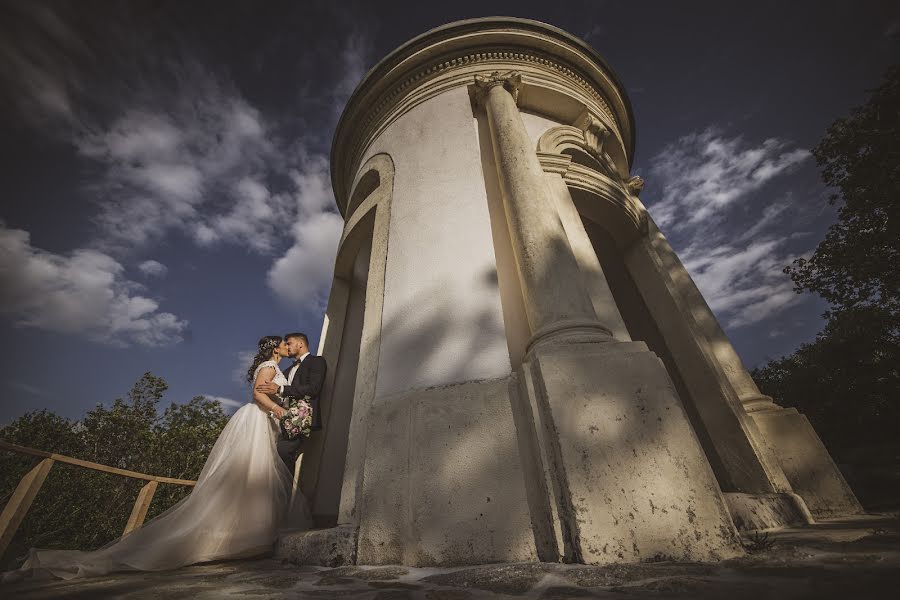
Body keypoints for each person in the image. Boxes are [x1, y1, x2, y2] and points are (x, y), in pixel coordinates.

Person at [3, 336, 304, 582]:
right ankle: (239, 538)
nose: (286, 347)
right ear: (274, 348)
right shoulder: (268, 365)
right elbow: (257, 394)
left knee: (252, 480)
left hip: (265, 422)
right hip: (258, 420)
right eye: (283, 343)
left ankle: (245, 535)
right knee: (246, 475)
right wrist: (283, 413)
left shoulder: (275, 367)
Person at [255, 332, 327, 475]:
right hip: (280, 420)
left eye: (289, 343)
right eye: (285, 344)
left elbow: (313, 388)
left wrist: (281, 389)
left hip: (301, 418)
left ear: (300, 344)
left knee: (283, 452)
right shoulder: (285, 371)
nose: (286, 346)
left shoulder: (316, 361)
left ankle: (284, 494)